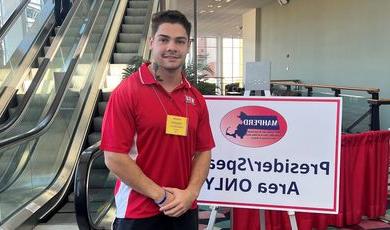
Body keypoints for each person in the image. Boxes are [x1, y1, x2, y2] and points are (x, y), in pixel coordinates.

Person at [100, 10, 215, 230]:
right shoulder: (128, 92)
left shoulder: (195, 98)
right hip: (138, 210)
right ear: (152, 42)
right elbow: (114, 157)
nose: (172, 47)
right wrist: (161, 196)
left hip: (184, 208)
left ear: (188, 46)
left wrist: (190, 193)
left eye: (179, 41)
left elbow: (203, 150)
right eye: (164, 39)